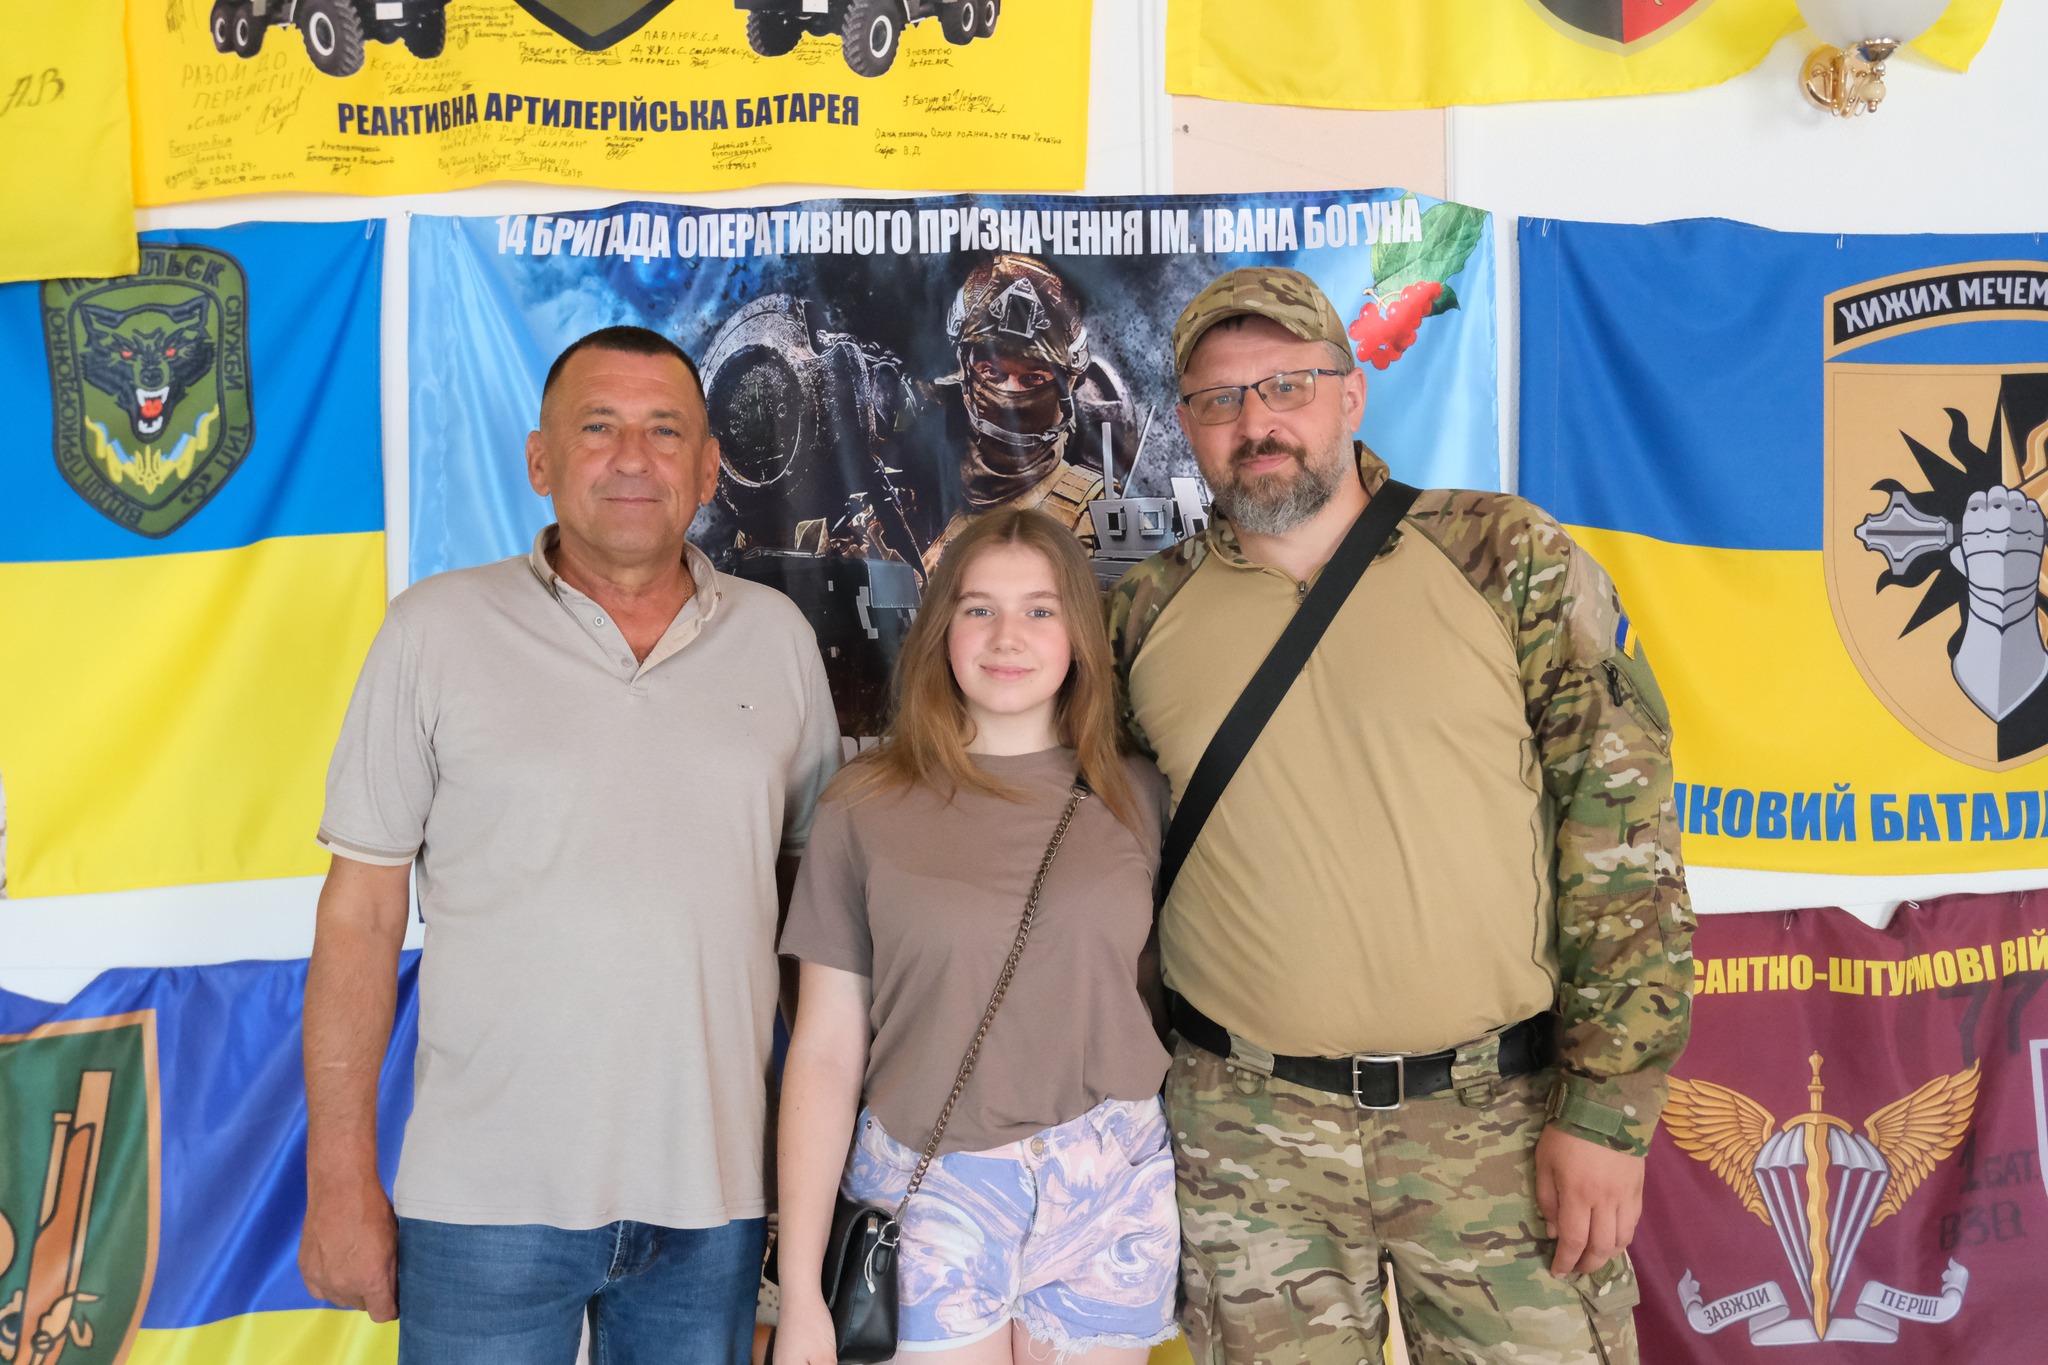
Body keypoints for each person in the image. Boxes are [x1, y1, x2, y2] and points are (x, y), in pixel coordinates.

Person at [1107, 268, 1695, 1364]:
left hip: (1498, 1118)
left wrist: (1608, 1108)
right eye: (1220, 399)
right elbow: (1092, 862)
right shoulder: (1142, 613)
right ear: (1185, 423)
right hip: (1247, 1139)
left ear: (1351, 395)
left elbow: (1620, 830)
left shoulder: (1501, 555)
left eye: (1286, 385)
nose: (1256, 422)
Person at [299, 325, 841, 1364]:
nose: (632, 457)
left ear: (708, 468)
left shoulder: (776, 639)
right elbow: (360, 915)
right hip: (481, 1202)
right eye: (598, 427)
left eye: (663, 430)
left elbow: (810, 924)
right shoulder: (432, 631)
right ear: (540, 460)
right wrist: (337, 1176)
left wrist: (824, 1174)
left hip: (716, 1200)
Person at [775, 508, 1179, 1364]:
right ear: (941, 628)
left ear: (1079, 633)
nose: (1008, 636)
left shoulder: (1140, 795)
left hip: (1108, 1183)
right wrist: (804, 1289)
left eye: (1040, 609)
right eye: (979, 608)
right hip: (931, 1189)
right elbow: (825, 1048)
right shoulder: (863, 803)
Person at [923, 256, 1109, 571]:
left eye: (1033, 378)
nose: (1009, 396)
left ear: (1066, 386)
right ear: (965, 373)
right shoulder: (925, 490)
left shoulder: (1096, 513)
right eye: (993, 373)